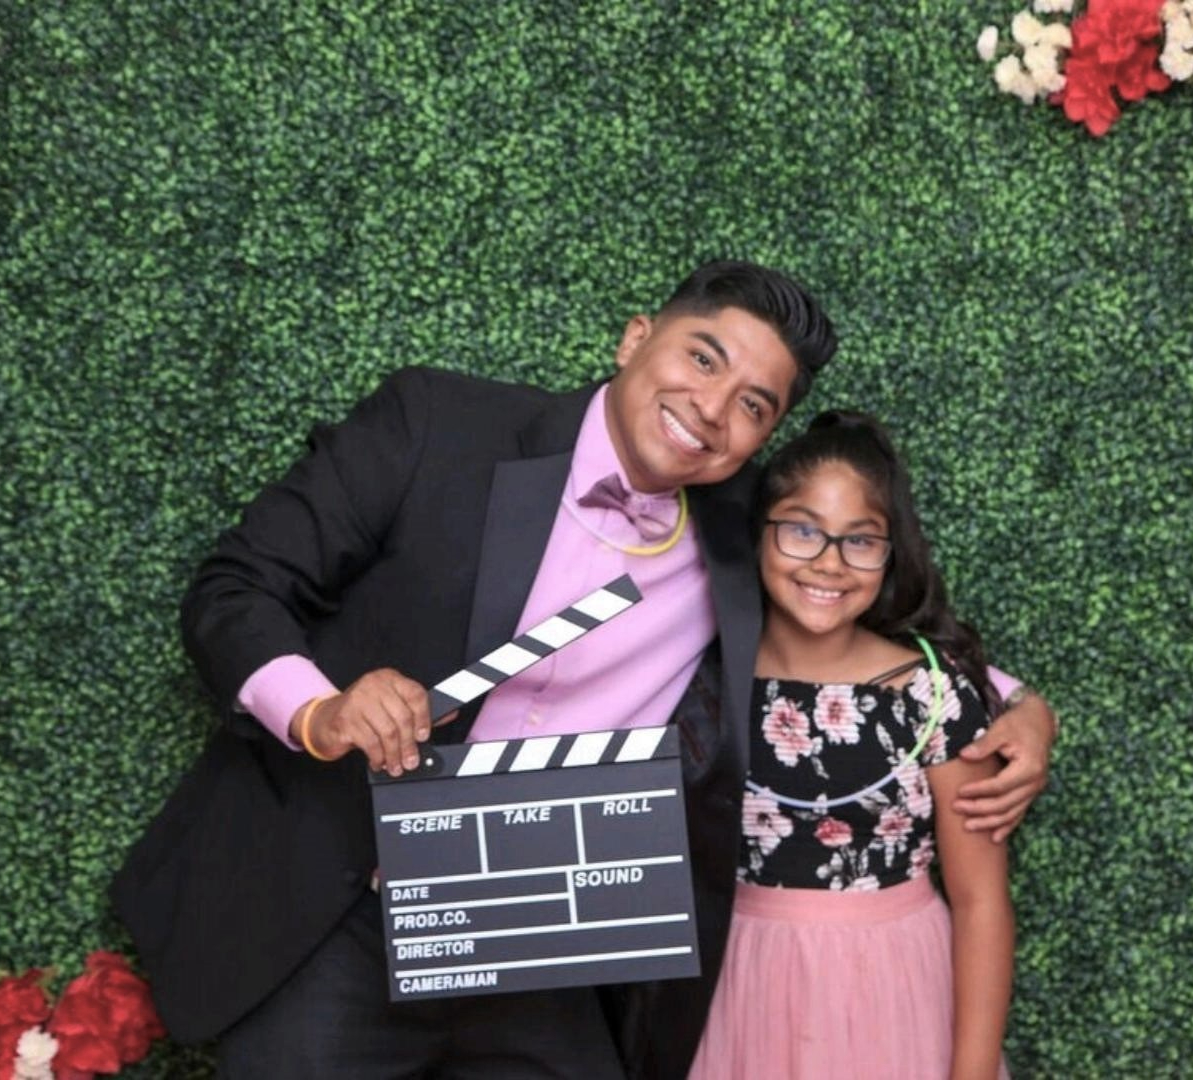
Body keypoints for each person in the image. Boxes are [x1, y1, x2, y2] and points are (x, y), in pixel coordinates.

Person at [111, 261, 1051, 1080]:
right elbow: (237, 589)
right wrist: (319, 710)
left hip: (541, 943)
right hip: (341, 912)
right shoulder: (438, 423)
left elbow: (851, 607)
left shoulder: (738, 536)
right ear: (636, 336)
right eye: (702, 357)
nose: (711, 409)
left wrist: (1019, 710)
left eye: (753, 405)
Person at [689, 411, 1015, 1080]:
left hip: (892, 988)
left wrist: (974, 1069)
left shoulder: (930, 695)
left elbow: (980, 900)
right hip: (735, 986)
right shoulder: (700, 681)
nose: (828, 563)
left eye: (859, 541)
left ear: (890, 554)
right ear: (758, 534)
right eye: (802, 530)